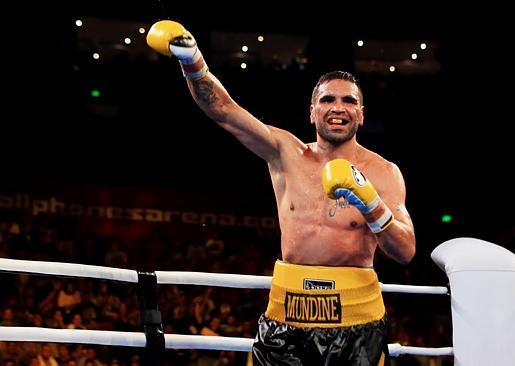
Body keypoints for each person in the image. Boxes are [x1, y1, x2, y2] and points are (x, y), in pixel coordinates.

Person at [146, 20, 416, 366]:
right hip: (287, 313)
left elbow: (405, 250)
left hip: (357, 321)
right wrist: (192, 61)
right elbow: (224, 110)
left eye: (349, 101)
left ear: (360, 114)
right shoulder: (284, 151)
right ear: (312, 111)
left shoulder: (383, 172)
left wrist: (369, 201)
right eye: (327, 99)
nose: (338, 107)